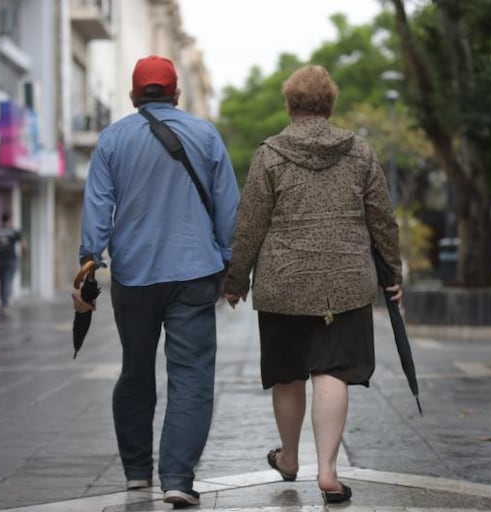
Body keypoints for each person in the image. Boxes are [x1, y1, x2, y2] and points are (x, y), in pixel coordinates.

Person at [222, 65, 402, 504]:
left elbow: (250, 223)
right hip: (345, 283)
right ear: (330, 104)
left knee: (287, 375)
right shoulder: (360, 152)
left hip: (284, 284)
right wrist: (392, 273)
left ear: (289, 105)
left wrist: (235, 279)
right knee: (332, 372)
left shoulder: (269, 154)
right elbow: (382, 217)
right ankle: (328, 471)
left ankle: (288, 458)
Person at [71, 55, 239, 507]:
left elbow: (98, 209)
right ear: (176, 94)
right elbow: (229, 210)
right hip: (194, 274)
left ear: (132, 96)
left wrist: (89, 263)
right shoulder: (205, 135)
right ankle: (178, 479)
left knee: (136, 368)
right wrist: (231, 268)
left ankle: (136, 472)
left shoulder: (112, 140)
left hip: (135, 275)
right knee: (191, 376)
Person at [0, 211, 26, 316]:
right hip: (11, 260)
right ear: (10, 220)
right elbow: (23, 243)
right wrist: (25, 253)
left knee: (2, 281)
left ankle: (3, 302)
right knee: (8, 281)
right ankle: (5, 303)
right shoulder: (14, 231)